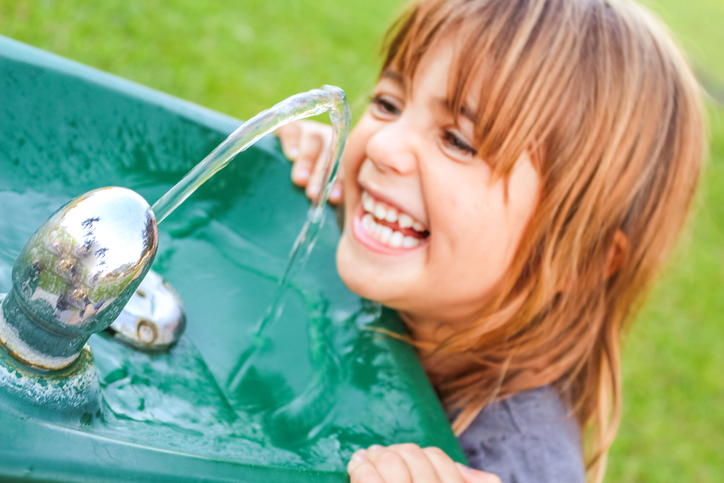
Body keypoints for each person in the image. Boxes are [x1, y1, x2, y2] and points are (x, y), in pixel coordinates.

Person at [277, 0, 705, 482]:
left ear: (578, 260)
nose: (381, 145)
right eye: (389, 104)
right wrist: (320, 176)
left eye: (457, 141)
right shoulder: (423, 287)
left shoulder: (517, 466)